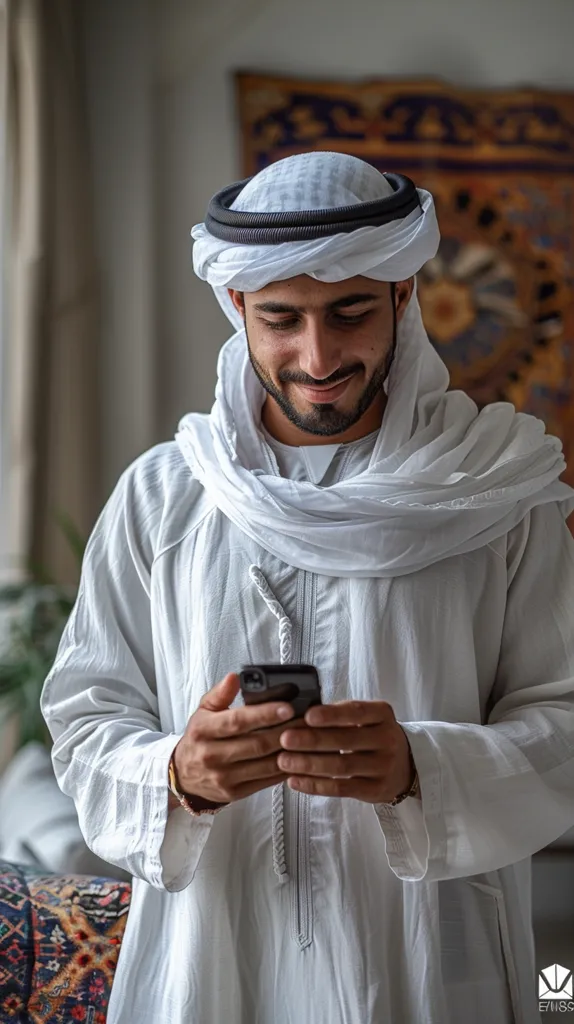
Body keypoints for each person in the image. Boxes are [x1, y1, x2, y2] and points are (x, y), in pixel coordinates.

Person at [41, 152, 574, 1024]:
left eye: (350, 313)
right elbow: (86, 715)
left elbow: (564, 718)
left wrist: (422, 771)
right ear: (236, 306)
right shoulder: (163, 496)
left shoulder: (497, 491)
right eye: (281, 318)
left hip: (429, 956)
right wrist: (177, 773)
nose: (317, 356)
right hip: (213, 957)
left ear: (403, 297)